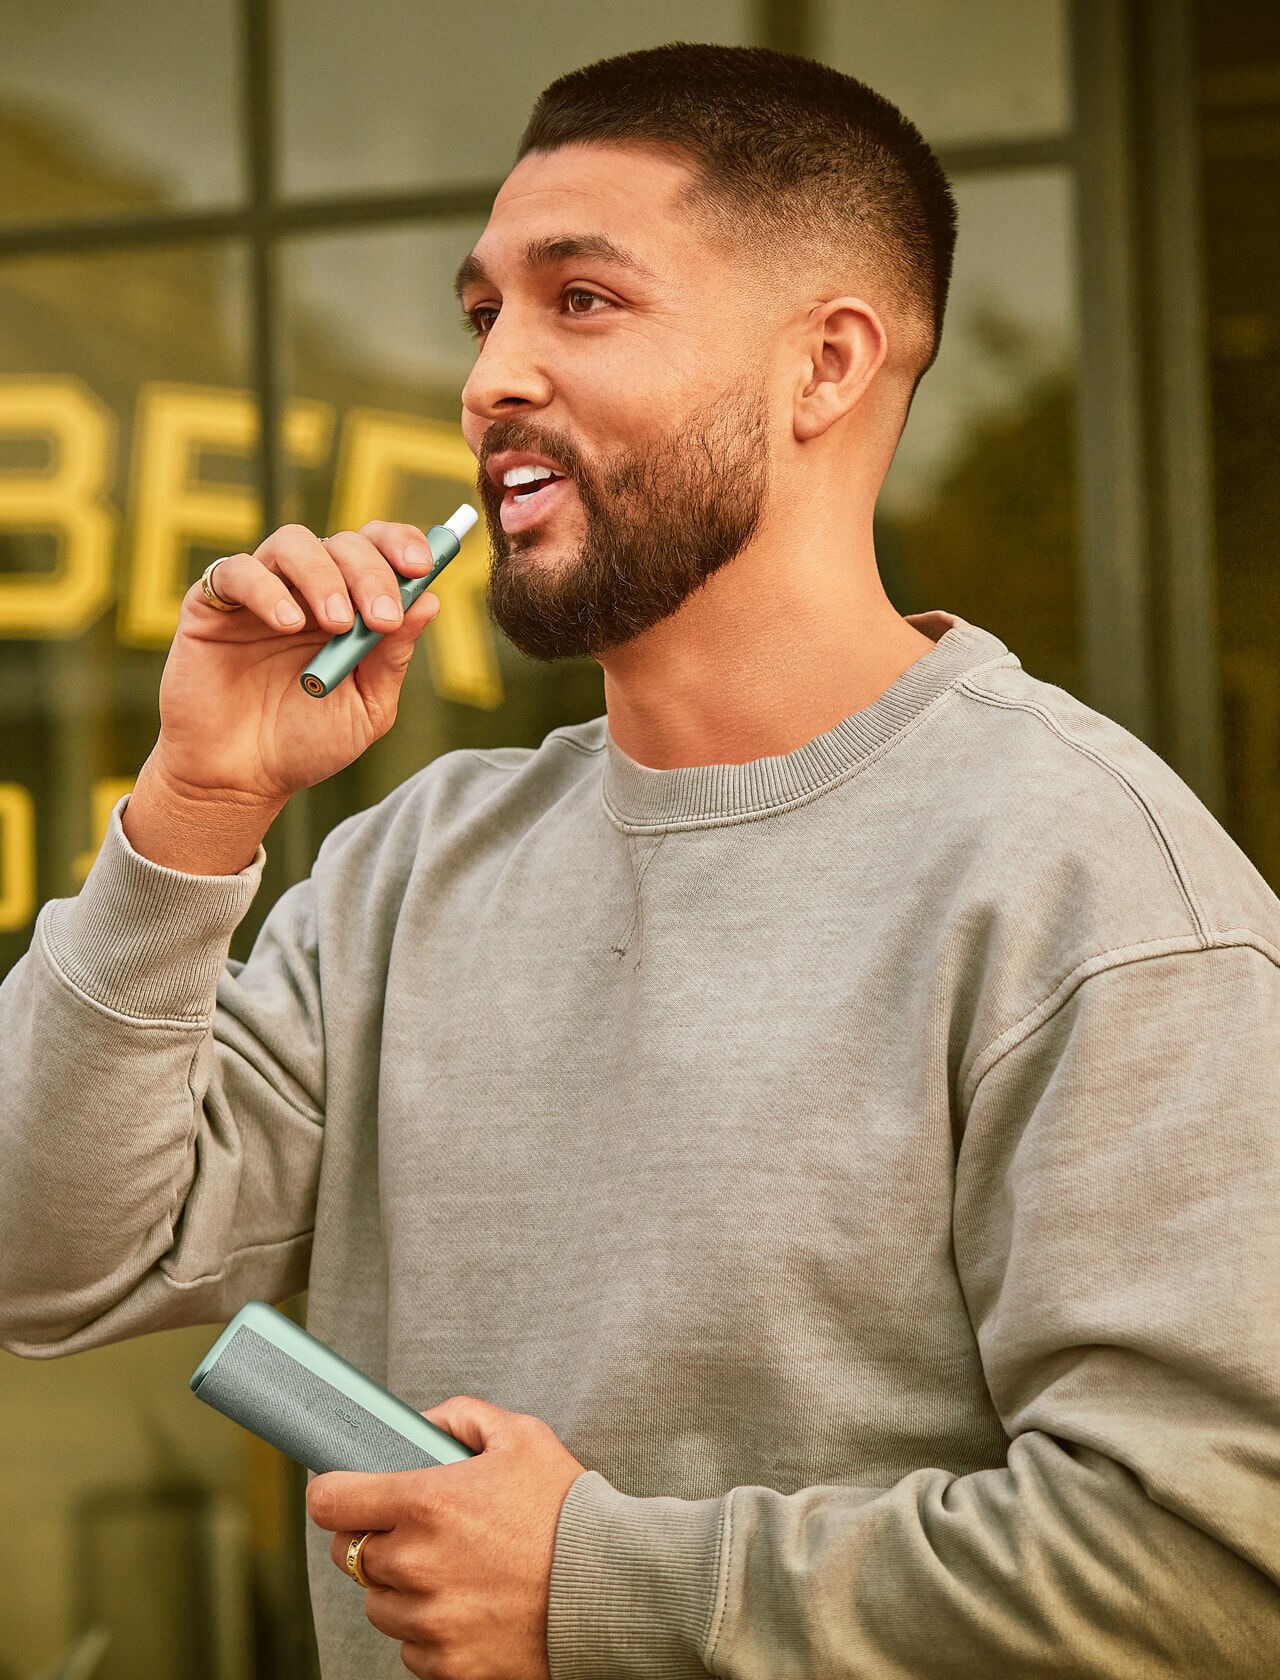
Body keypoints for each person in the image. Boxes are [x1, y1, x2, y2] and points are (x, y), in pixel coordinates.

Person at [2, 40, 1278, 1680]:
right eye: (483, 315)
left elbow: (1209, 1567)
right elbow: (44, 1259)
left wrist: (594, 1583)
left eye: (582, 300)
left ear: (824, 367)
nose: (490, 379)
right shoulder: (414, 871)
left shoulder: (1089, 886)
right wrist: (194, 804)